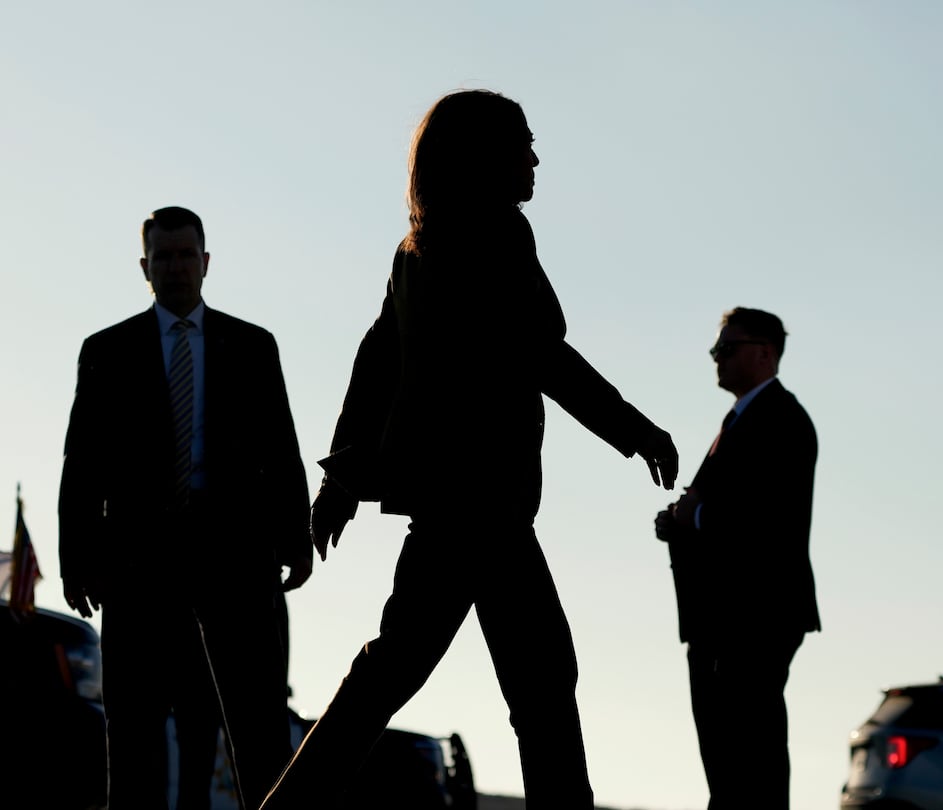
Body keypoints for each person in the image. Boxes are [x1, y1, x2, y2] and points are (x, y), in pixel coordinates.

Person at [259, 88, 679, 810]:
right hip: (483, 505)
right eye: (524, 143)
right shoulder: (496, 234)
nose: (536, 159)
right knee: (534, 684)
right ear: (487, 156)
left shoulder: (419, 247)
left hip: (462, 505)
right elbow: (540, 354)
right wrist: (635, 428)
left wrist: (340, 486)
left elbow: (376, 364)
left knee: (428, 671)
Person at [58, 205, 312, 809]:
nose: (175, 267)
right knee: (135, 739)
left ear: (206, 262)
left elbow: (281, 449)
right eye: (162, 257)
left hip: (234, 566)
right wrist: (77, 561)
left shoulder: (252, 347)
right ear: (145, 267)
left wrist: (296, 540)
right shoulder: (107, 351)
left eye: (185, 255)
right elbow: (82, 466)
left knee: (253, 737)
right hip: (137, 570)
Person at [654, 307, 819, 809]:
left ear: (764, 353)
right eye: (716, 350)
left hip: (754, 615)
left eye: (726, 349)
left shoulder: (782, 420)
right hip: (721, 619)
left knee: (751, 756)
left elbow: (768, 518)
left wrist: (693, 520)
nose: (717, 359)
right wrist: (681, 521)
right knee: (728, 764)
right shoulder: (743, 420)